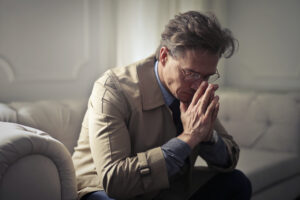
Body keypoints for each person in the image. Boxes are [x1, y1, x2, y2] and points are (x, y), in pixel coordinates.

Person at [72, 11, 252, 200]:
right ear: (164, 56)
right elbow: (115, 180)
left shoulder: (193, 91)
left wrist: (208, 137)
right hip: (103, 189)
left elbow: (230, 158)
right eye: (191, 73)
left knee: (236, 183)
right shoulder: (112, 88)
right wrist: (189, 138)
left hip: (167, 187)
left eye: (207, 76)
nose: (199, 85)